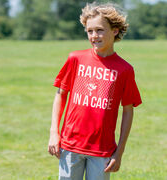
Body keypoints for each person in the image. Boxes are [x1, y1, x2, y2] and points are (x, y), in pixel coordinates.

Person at [48, 2, 142, 180]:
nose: (94, 36)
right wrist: (54, 133)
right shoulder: (75, 58)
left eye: (99, 30)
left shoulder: (124, 70)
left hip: (102, 149)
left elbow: (128, 110)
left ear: (114, 30)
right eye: (89, 31)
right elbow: (60, 94)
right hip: (70, 145)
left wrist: (119, 152)